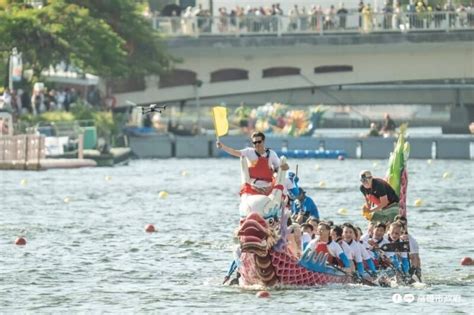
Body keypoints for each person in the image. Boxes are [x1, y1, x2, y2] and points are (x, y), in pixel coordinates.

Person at [216, 131, 289, 195]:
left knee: (285, 182)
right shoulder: (249, 152)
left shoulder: (272, 154)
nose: (257, 144)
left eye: (259, 142)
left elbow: (280, 167)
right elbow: (234, 152)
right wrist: (222, 146)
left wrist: (285, 167)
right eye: (254, 142)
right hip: (253, 186)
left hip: (269, 187)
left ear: (263, 141)